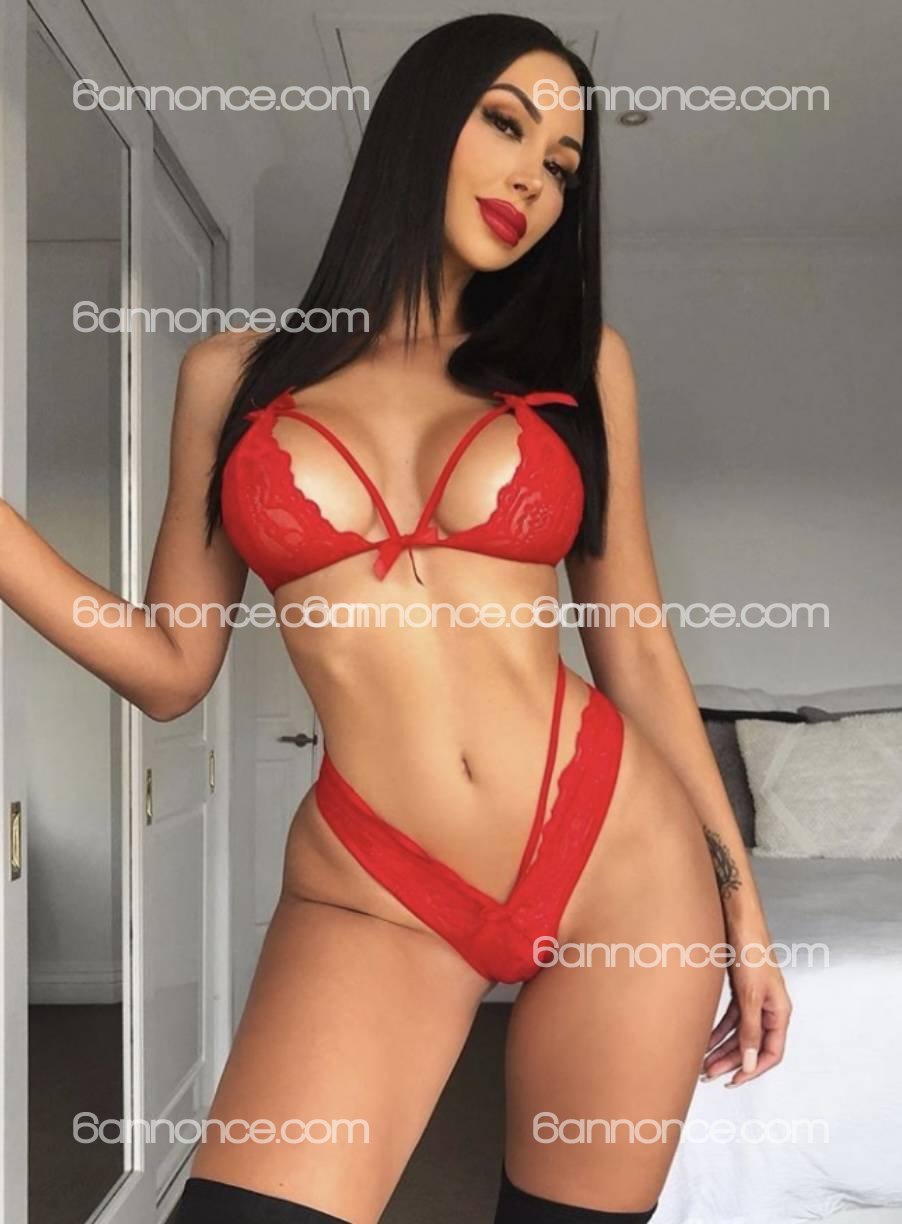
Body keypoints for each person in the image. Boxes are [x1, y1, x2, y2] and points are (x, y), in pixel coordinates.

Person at [2, 14, 791, 1224]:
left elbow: (632, 642)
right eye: (505, 124)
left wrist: (740, 902)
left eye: (562, 166)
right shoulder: (233, 377)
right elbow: (169, 669)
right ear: (419, 124)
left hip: (621, 863)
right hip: (378, 882)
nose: (533, 179)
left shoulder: (581, 365)